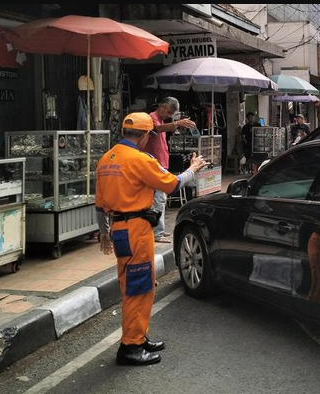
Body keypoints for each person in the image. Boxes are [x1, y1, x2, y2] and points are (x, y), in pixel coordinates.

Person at [95, 112, 208, 366]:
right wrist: (193, 168)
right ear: (145, 135)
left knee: (137, 283)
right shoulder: (140, 160)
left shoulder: (107, 159)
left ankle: (139, 335)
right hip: (136, 230)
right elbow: (172, 184)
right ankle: (131, 346)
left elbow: (100, 205)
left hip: (119, 229)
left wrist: (103, 232)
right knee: (139, 287)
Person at [145, 96, 196, 243]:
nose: (168, 116)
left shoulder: (161, 120)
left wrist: (176, 124)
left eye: (170, 114)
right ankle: (157, 233)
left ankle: (158, 229)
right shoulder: (151, 118)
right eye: (168, 112)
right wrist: (177, 123)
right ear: (162, 107)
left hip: (161, 163)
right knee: (159, 198)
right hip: (155, 164)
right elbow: (157, 129)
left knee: (160, 198)